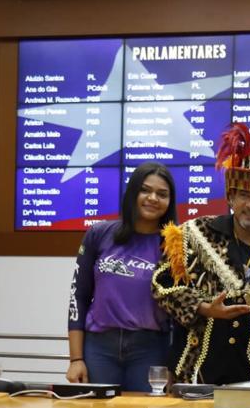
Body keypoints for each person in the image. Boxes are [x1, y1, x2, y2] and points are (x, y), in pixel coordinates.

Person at [152, 123, 250, 384]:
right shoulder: (193, 233)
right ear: (231, 197)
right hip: (193, 373)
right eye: (244, 195)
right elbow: (161, 285)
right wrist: (203, 308)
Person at [66, 162, 177, 391]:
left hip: (151, 349)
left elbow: (181, 312)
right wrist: (76, 359)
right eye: (145, 190)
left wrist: (174, 365)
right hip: (99, 347)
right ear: (132, 192)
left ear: (170, 202)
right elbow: (79, 297)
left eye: (162, 194)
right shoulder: (99, 234)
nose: (153, 198)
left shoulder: (175, 246)